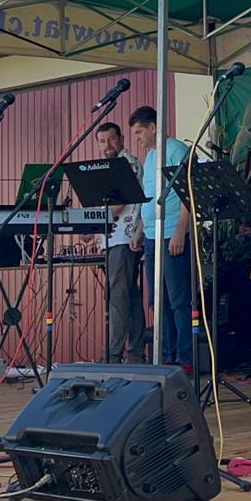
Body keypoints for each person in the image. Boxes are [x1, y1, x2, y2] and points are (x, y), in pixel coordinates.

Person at [129, 106, 195, 371]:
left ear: (153, 127)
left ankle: (186, 358)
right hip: (151, 235)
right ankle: (167, 354)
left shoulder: (177, 150)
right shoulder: (150, 157)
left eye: (139, 132)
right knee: (158, 299)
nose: (137, 138)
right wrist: (139, 229)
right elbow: (149, 196)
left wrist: (180, 230)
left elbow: (188, 193)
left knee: (178, 298)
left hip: (171, 233)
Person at [95, 122, 148, 363]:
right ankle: (135, 354)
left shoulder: (126, 164)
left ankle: (113, 355)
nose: (107, 145)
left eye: (112, 139)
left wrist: (91, 223)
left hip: (124, 238)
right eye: (102, 141)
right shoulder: (114, 165)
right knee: (130, 297)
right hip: (115, 238)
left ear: (122, 139)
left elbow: (117, 206)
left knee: (117, 297)